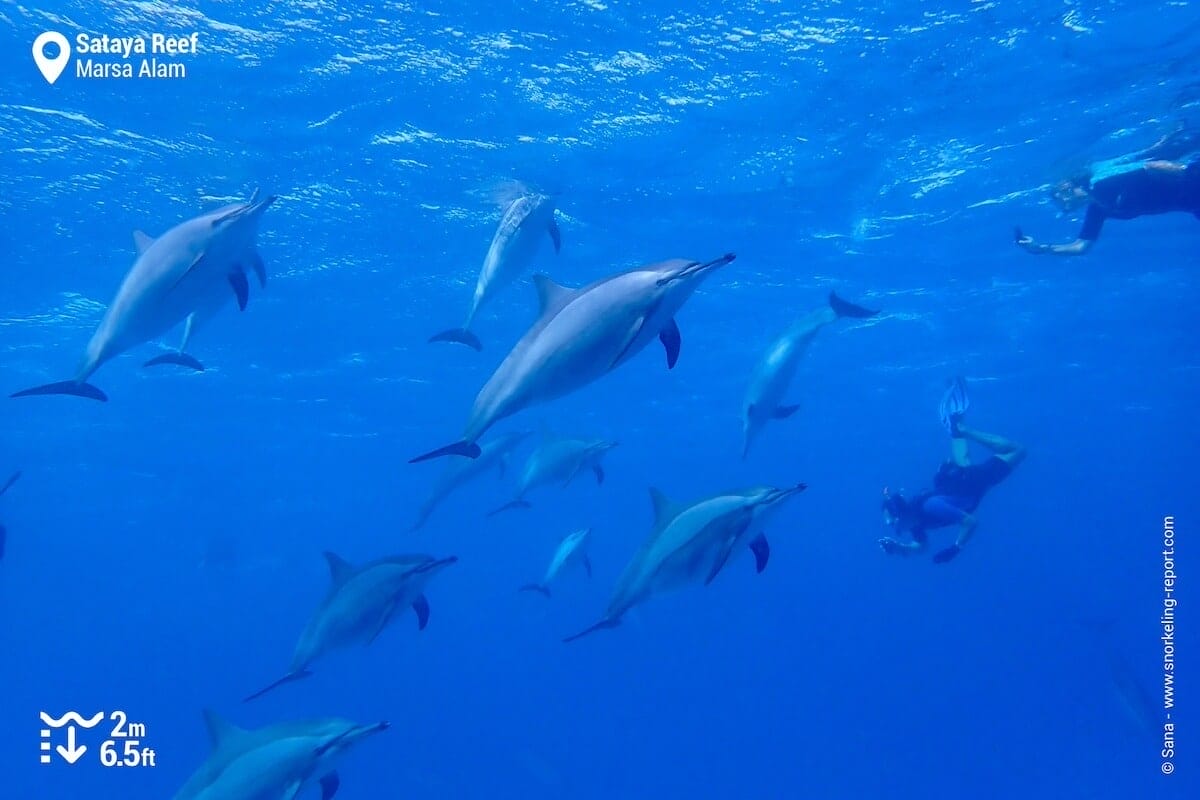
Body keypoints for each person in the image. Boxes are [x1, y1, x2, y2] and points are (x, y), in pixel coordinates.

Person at [878, 380, 1024, 564]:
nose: (892, 526)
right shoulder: (915, 522)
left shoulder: (929, 507)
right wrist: (899, 548)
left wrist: (956, 548)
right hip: (958, 486)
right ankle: (956, 426)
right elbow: (921, 547)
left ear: (903, 513)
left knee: (1017, 451)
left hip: (972, 484)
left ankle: (964, 430)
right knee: (964, 463)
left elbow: (970, 521)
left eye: (892, 521)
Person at [1016, 128, 1200, 255]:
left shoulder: (1100, 183)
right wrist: (1040, 248)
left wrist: (1188, 174)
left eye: (1059, 200)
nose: (1064, 209)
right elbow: (1081, 246)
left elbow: (1153, 165)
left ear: (1066, 187)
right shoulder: (1097, 209)